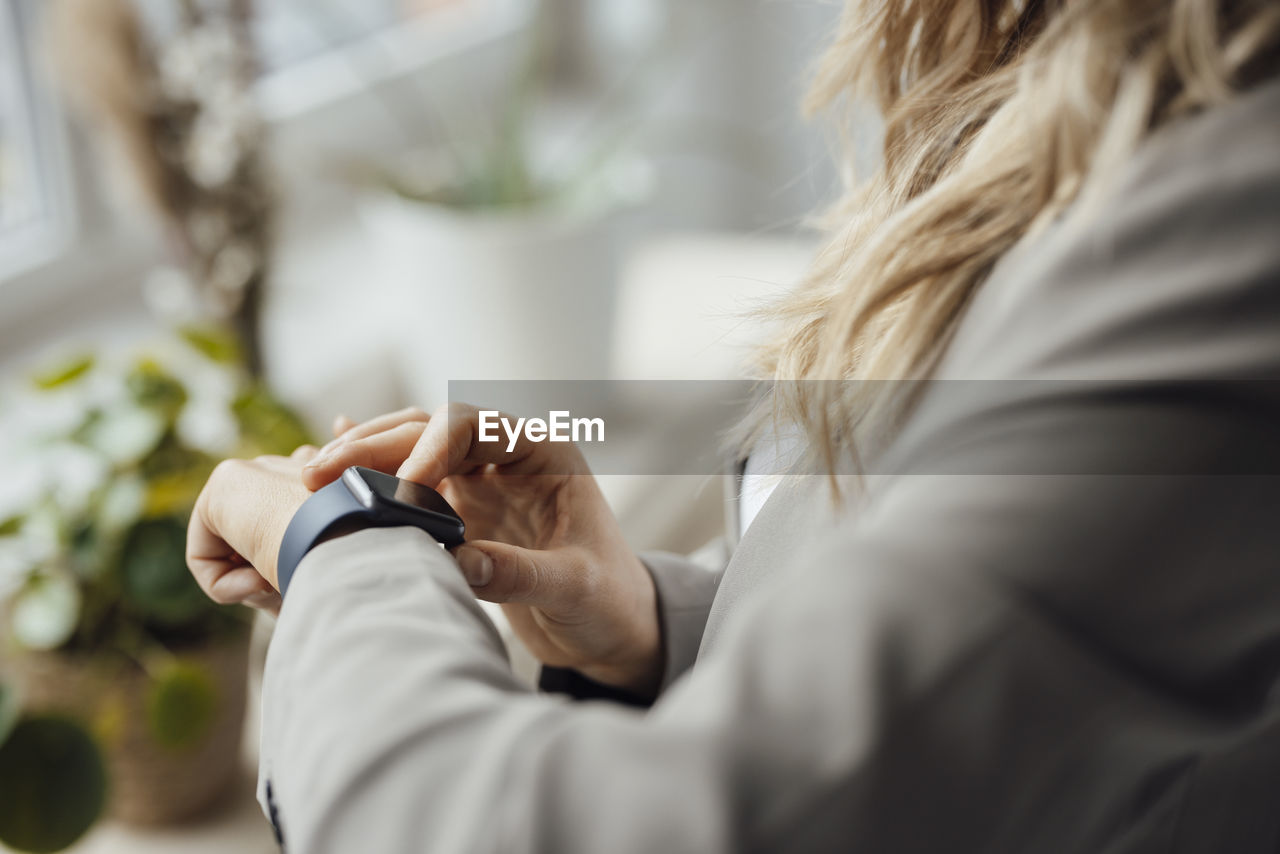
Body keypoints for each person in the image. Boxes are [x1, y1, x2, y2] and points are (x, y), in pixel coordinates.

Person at [186, 1, 1280, 851]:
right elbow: (993, 663)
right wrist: (653, 627)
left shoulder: (1227, 225)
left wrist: (345, 545)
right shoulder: (1037, 87)